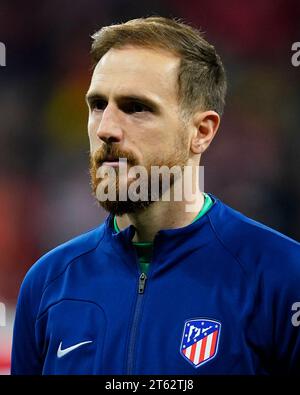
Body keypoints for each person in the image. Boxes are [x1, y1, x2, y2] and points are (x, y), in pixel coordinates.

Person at [11, 16, 300, 375]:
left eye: (136, 108)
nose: (106, 129)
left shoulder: (283, 276)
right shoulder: (47, 283)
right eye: (98, 105)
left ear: (201, 131)